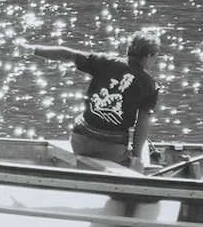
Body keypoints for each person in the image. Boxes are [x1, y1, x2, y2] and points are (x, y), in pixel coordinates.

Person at [26, 31, 160, 167]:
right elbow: (142, 124)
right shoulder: (150, 86)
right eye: (155, 57)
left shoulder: (104, 61)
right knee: (143, 151)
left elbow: (69, 55)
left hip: (80, 143)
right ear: (149, 56)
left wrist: (35, 50)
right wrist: (137, 158)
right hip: (111, 150)